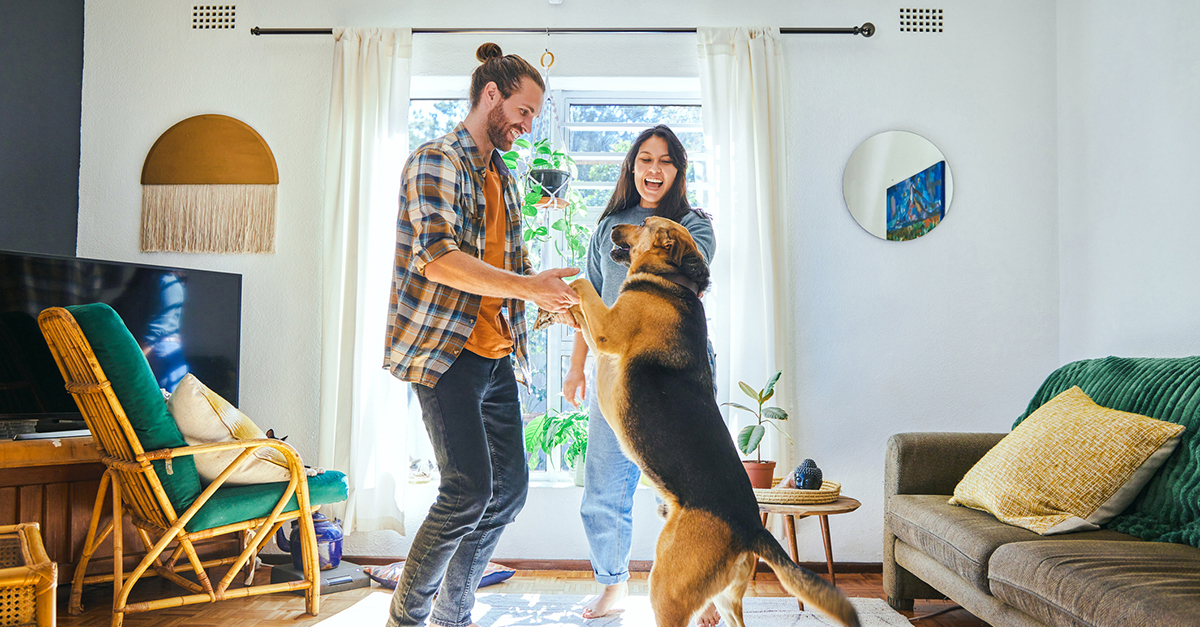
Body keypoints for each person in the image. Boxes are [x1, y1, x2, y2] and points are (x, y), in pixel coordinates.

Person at [383, 43, 581, 627]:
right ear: (490, 95)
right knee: (467, 488)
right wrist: (529, 286)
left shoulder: (506, 181)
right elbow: (439, 258)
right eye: (522, 112)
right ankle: (408, 618)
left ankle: (452, 613)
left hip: (496, 355)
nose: (526, 127)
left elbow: (509, 275)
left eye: (532, 118)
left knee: (510, 490)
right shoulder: (436, 160)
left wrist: (557, 306)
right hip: (445, 353)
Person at [562, 125, 720, 625]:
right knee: (604, 487)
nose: (654, 170)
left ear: (678, 170)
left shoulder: (694, 227)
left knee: (684, 487)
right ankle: (613, 585)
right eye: (645, 159)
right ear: (632, 167)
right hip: (615, 376)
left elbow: (684, 283)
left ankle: (699, 583)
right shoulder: (610, 224)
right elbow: (589, 298)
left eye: (665, 160)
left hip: (675, 375)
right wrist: (575, 367)